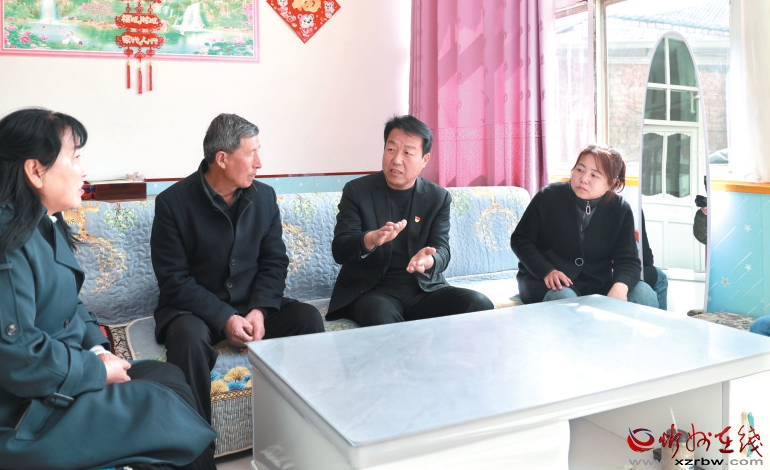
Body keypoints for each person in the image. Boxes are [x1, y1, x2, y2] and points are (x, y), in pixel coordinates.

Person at [0, 109, 216, 470]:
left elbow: (70, 305)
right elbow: (14, 354)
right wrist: (95, 371)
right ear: (35, 170)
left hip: (26, 385)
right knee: (164, 414)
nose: (83, 171)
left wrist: (97, 350)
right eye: (75, 157)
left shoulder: (36, 221)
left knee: (167, 377)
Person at [150, 113, 324, 430]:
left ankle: (304, 433)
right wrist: (225, 318)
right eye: (251, 153)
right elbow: (174, 281)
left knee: (307, 319)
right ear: (222, 159)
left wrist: (260, 310)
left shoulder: (264, 197)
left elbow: (274, 262)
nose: (259, 163)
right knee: (187, 339)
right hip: (195, 310)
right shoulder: (172, 203)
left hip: (249, 303)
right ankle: (196, 449)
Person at [327, 115, 494, 326]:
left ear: (424, 159)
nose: (396, 159)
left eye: (407, 153)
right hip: (372, 292)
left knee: (478, 303)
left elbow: (442, 250)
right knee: (380, 313)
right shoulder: (357, 191)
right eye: (391, 149)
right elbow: (340, 249)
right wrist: (371, 239)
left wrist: (429, 261)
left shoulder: (438, 197)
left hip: (423, 290)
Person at [511, 143, 659, 307]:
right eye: (580, 170)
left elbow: (628, 259)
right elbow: (520, 240)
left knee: (644, 293)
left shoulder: (620, 209)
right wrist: (547, 271)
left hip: (596, 284)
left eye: (594, 175)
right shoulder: (548, 196)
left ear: (611, 183)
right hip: (545, 281)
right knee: (565, 296)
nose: (584, 179)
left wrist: (620, 286)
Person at [640, 211, 670, 310]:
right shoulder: (631, 208)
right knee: (660, 278)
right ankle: (660, 319)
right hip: (618, 274)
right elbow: (646, 256)